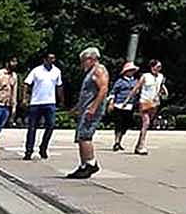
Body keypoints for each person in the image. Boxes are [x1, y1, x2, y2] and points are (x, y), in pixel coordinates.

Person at [68, 47, 110, 179]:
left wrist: (93, 107)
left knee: (85, 136)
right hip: (85, 108)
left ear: (92, 59)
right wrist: (76, 108)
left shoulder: (99, 70)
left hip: (92, 110)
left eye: (83, 60)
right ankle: (83, 165)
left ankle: (91, 163)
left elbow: (103, 89)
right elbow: (86, 94)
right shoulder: (90, 72)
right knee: (80, 136)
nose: (82, 64)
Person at [22, 51, 62, 161]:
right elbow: (26, 84)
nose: (51, 61)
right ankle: (28, 151)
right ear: (44, 60)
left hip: (50, 102)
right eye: (49, 58)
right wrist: (25, 98)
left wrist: (61, 100)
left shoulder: (57, 71)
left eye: (53, 59)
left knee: (50, 125)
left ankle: (43, 147)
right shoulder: (36, 70)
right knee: (32, 128)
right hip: (36, 102)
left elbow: (59, 86)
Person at [133, 57, 166, 155]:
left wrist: (163, 91)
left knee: (147, 125)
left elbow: (160, 87)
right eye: (157, 66)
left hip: (155, 102)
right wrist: (127, 100)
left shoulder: (161, 76)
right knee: (146, 123)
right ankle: (141, 146)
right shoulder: (145, 76)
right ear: (152, 67)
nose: (159, 68)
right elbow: (136, 88)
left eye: (160, 67)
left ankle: (138, 144)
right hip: (144, 101)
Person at [107, 62, 139, 151]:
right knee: (119, 124)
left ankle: (120, 140)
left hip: (130, 105)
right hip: (119, 104)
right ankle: (116, 142)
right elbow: (113, 92)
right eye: (130, 70)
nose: (132, 72)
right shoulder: (120, 81)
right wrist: (111, 103)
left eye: (133, 70)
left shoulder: (135, 81)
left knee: (126, 124)